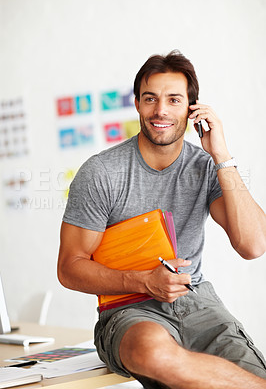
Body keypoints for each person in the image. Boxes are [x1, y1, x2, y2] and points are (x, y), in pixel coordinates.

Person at [57, 50, 266, 388]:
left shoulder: (205, 166)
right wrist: (142, 282)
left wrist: (222, 156)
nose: (161, 110)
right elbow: (69, 267)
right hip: (129, 311)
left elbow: (254, 245)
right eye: (150, 98)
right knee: (154, 354)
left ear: (192, 108)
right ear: (138, 104)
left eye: (174, 99)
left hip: (198, 304)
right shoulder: (100, 173)